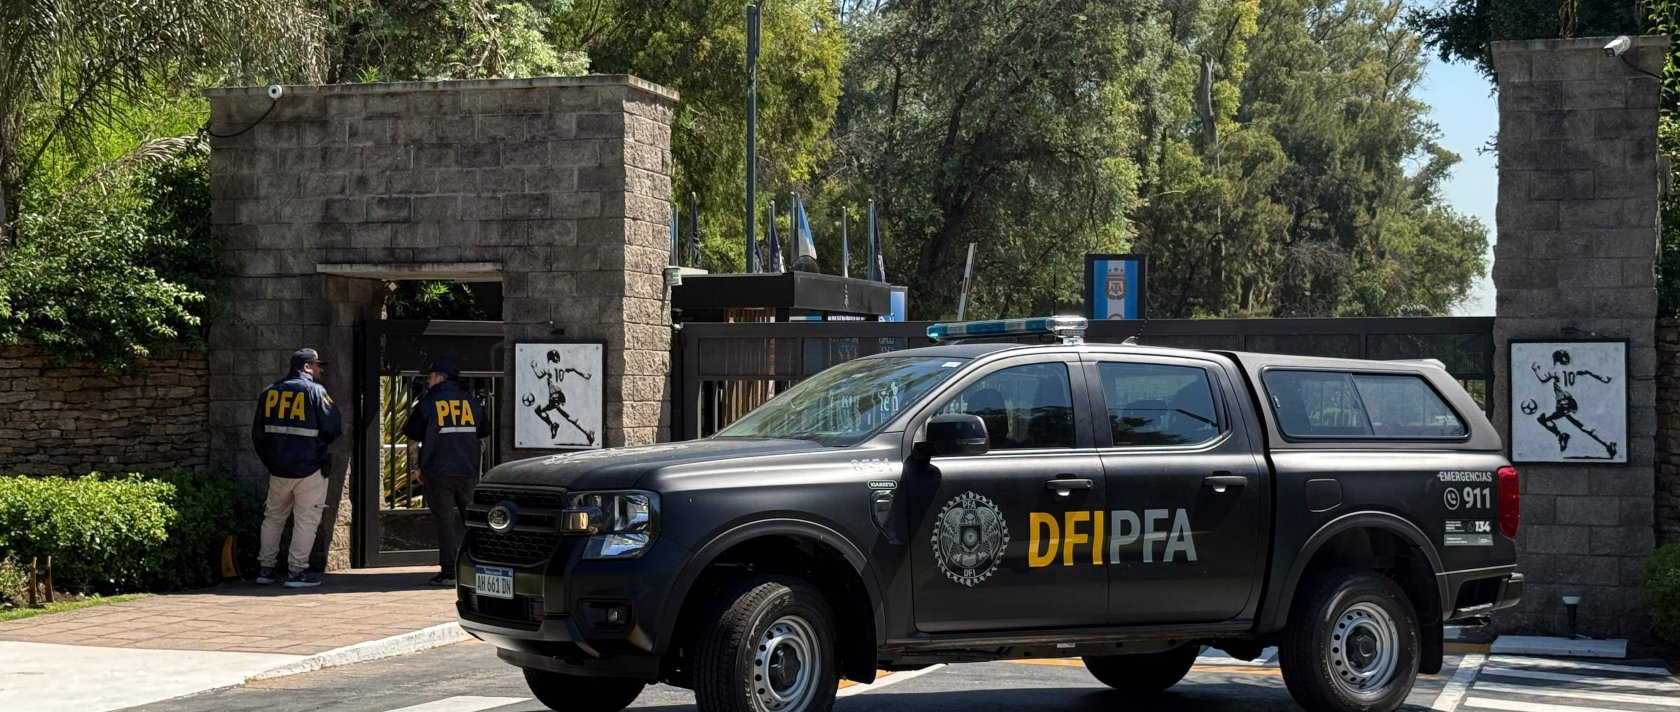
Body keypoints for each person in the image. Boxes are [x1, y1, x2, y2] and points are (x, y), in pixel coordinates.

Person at [251, 348, 343, 589]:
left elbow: (258, 434)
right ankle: (296, 573)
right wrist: (316, 451)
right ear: (306, 367)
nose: (320, 370)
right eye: (317, 365)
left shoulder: (270, 392)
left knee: (272, 517)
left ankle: (266, 569)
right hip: (309, 468)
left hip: (278, 469)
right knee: (306, 520)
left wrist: (271, 460)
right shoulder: (315, 391)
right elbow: (333, 427)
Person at [404, 358, 490, 586]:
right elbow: (483, 439)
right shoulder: (473, 403)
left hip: (437, 472)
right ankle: (480, 567)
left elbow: (412, 441)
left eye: (430, 376)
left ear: (441, 378)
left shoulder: (427, 404)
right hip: (467, 472)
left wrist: (417, 469)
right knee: (473, 522)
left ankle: (450, 572)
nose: (428, 380)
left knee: (445, 522)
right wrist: (473, 462)